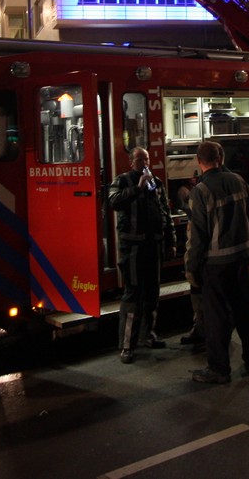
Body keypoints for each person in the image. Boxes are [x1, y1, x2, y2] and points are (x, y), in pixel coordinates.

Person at [184, 140, 249, 383]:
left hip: (216, 265)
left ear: (199, 161)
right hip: (241, 258)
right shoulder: (239, 181)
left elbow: (197, 237)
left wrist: (191, 267)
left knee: (216, 317)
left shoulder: (200, 191)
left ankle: (219, 369)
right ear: (221, 158)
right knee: (243, 311)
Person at [108, 146, 175, 364]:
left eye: (146, 159)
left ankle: (148, 335)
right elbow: (114, 202)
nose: (144, 163)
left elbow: (165, 212)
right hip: (133, 250)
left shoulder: (157, 183)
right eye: (139, 160)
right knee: (133, 295)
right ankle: (127, 345)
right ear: (131, 162)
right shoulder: (122, 181)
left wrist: (170, 242)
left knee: (152, 293)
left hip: (153, 247)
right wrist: (137, 188)